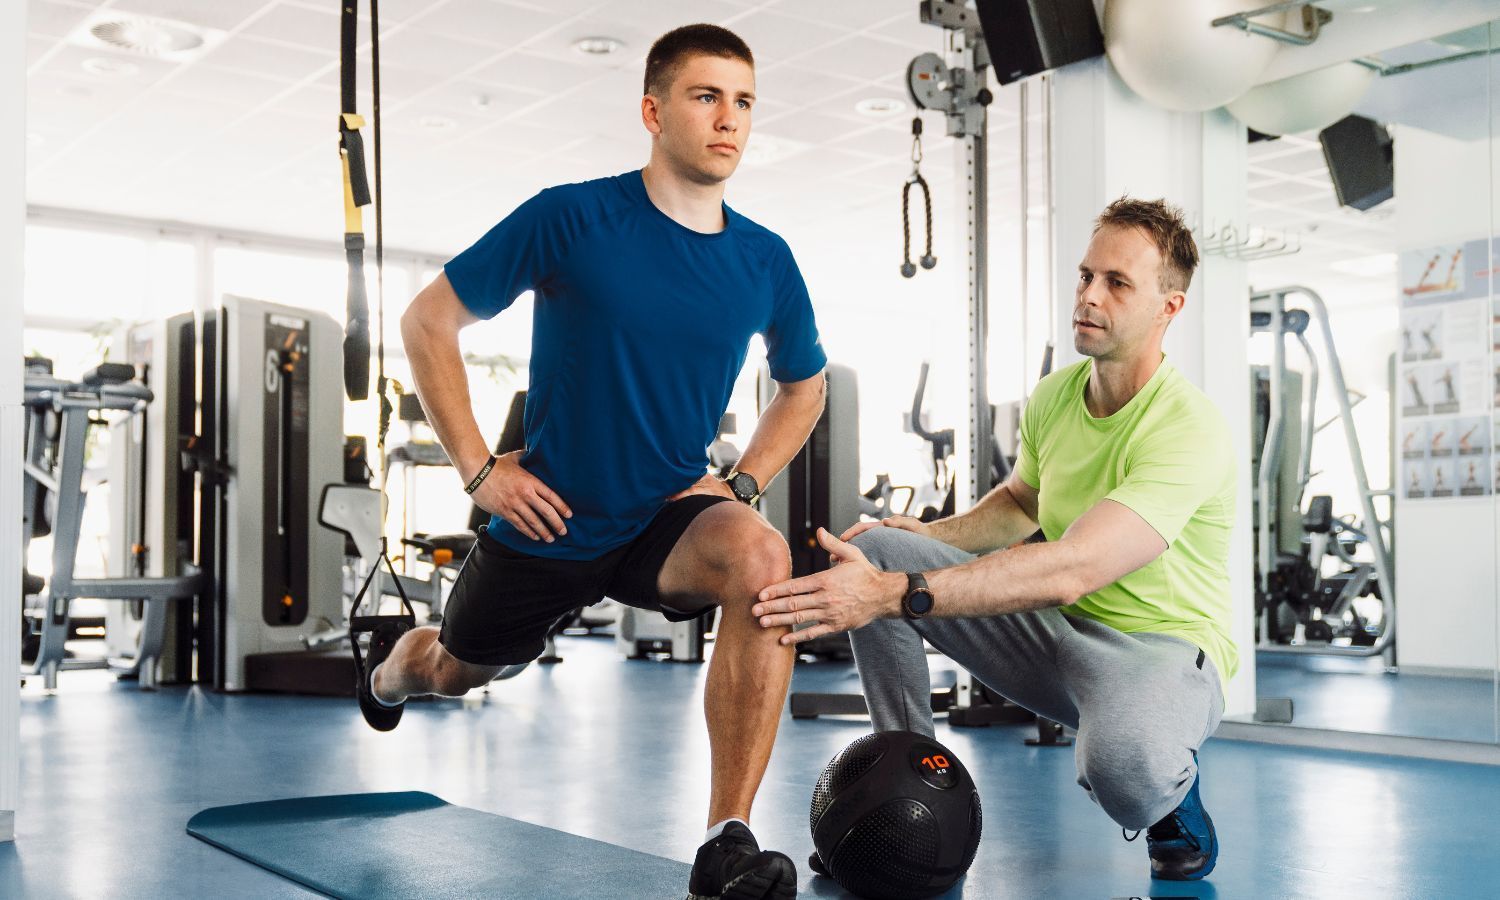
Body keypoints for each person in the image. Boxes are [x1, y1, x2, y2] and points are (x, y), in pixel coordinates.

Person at [365, 24, 826, 900]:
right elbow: (428, 323)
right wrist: (477, 469)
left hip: (664, 518)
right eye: (706, 96)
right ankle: (392, 666)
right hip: (550, 517)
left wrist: (740, 483)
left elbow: (803, 389)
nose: (729, 119)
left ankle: (725, 839)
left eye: (744, 102)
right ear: (653, 111)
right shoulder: (571, 216)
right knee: (456, 672)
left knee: (762, 557)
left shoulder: (765, 259)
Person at [753, 197, 1236, 883]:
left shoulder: (1188, 426)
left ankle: (1174, 804)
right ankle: (905, 791)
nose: (1089, 296)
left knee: (1123, 766)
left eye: (1116, 283)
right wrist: (925, 535)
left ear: (1169, 307)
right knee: (880, 546)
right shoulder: (1053, 397)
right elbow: (1020, 503)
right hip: (1054, 632)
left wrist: (895, 594)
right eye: (1084, 276)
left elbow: (1075, 566)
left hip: (1158, 651)